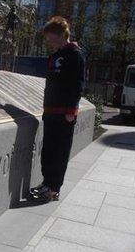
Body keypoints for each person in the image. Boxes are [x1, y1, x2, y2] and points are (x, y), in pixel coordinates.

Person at [30, 16, 85, 202]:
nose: (48, 40)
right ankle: (47, 182)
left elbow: (77, 84)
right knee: (48, 151)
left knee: (60, 152)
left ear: (62, 35)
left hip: (65, 113)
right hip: (51, 111)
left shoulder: (75, 55)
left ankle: (54, 189)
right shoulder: (54, 56)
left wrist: (72, 110)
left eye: (51, 36)